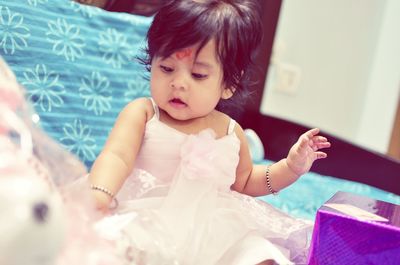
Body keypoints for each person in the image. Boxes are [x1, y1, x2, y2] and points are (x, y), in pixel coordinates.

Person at [88, 0, 331, 264]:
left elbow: (247, 181)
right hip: (144, 214)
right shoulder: (144, 113)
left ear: (229, 84)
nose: (178, 83)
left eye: (198, 75)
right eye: (166, 68)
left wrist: (291, 167)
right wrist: (100, 194)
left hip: (210, 229)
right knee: (117, 245)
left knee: (255, 250)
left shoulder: (229, 131)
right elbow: (117, 156)